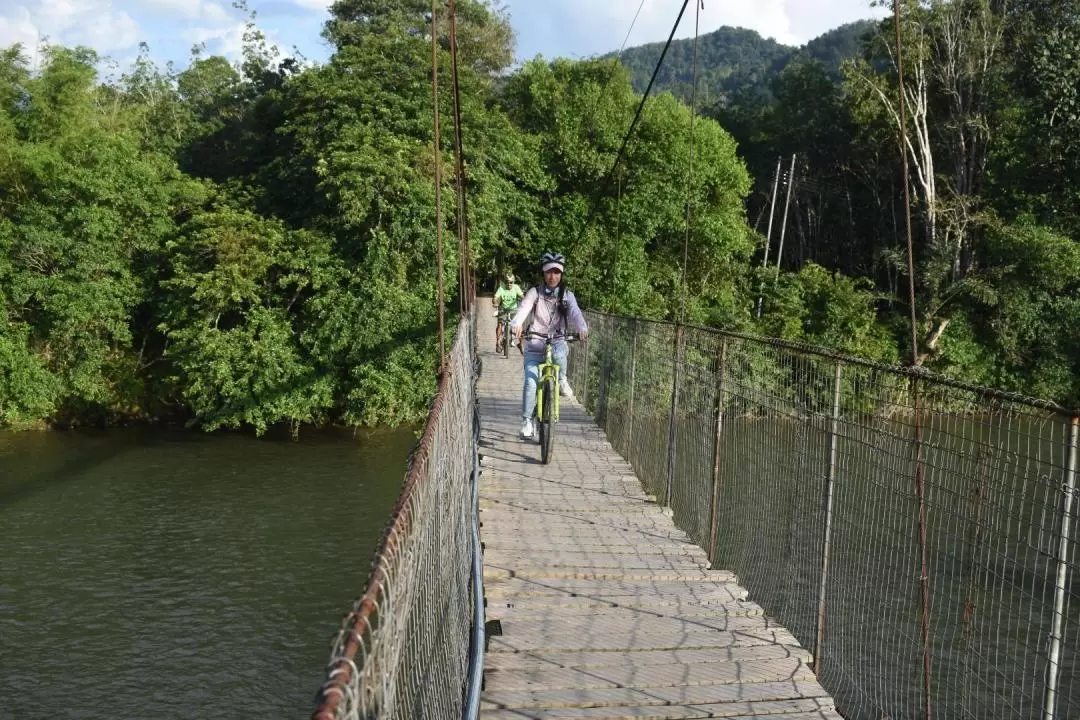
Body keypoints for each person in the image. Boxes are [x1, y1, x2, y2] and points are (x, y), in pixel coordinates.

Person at [511, 251, 588, 439]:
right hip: (535, 345)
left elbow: (576, 314)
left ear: (561, 274)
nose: (552, 276)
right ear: (543, 274)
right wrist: (517, 324)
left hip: (557, 342)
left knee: (560, 351)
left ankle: (561, 379)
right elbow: (523, 310)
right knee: (530, 382)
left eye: (556, 272)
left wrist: (582, 328)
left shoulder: (567, 296)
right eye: (548, 272)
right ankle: (527, 421)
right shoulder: (534, 293)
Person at [492, 272, 524, 352]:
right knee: (500, 324)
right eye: (507, 282)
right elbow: (495, 297)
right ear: (505, 282)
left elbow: (522, 296)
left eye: (511, 282)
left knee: (518, 325)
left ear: (513, 282)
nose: (509, 284)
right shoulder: (501, 288)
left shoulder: (516, 287)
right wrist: (495, 302)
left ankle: (520, 344)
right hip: (503, 309)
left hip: (514, 310)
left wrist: (525, 301)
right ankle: (498, 341)